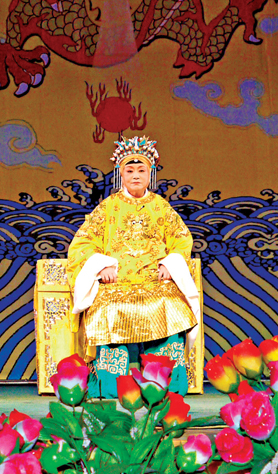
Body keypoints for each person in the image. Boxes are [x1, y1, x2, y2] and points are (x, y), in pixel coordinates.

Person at [67, 136, 200, 397]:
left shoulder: (161, 207)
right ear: (121, 174)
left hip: (156, 282)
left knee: (172, 306)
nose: (136, 176)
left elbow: (182, 239)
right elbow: (82, 243)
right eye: (129, 171)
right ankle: (111, 388)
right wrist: (100, 266)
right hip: (116, 284)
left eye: (141, 170)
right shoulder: (107, 208)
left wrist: (171, 264)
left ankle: (164, 385)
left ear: (150, 173)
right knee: (107, 308)